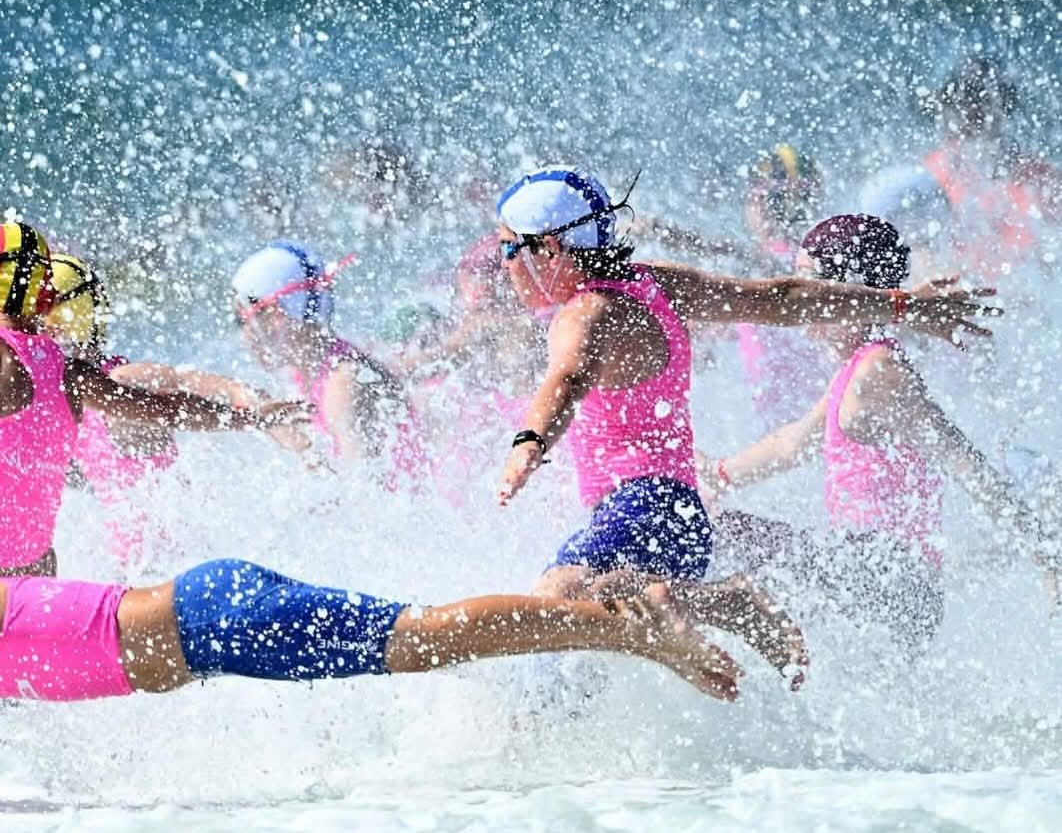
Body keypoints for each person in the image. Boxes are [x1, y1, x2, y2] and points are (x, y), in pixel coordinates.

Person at [493, 167, 999, 679]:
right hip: (677, 514)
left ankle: (719, 603)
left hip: (646, 507)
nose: (506, 265)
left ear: (549, 249)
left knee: (561, 594)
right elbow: (780, 299)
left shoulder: (585, 312)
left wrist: (531, 440)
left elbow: (568, 377)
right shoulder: (653, 284)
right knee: (599, 611)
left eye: (510, 248)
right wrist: (900, 304)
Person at [702, 214, 1059, 647]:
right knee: (713, 536)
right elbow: (792, 443)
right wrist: (716, 475)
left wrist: (1047, 556)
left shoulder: (881, 373)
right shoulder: (855, 370)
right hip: (869, 571)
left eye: (812, 287)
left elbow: (968, 467)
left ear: (851, 294)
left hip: (894, 580)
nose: (802, 303)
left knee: (718, 535)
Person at [0, 222, 301, 578]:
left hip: (158, 562)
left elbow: (180, 386)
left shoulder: (112, 377)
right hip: (133, 563)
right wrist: (251, 419)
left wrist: (244, 401)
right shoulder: (68, 384)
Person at [0, 560, 741, 703]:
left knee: (423, 637)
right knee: (424, 640)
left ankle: (632, 630)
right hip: (218, 628)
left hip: (217, 619)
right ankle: (629, 631)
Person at [45, 253, 276, 566]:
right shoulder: (67, 404)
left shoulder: (119, 382)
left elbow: (182, 379)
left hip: (171, 561)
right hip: (137, 566)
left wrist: (241, 396)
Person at [642, 145, 831, 429]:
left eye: (755, 199)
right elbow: (757, 323)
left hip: (783, 419)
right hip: (803, 411)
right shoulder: (818, 260)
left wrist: (664, 232)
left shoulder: (776, 263)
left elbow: (730, 253)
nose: (751, 207)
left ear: (765, 204)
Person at [231, 242, 428, 490]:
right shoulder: (312, 371)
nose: (243, 335)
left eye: (242, 319)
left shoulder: (342, 384)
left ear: (279, 313)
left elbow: (363, 494)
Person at [923, 56, 1062, 279]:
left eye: (982, 100)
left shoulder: (1040, 178)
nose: (973, 109)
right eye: (967, 101)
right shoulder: (929, 175)